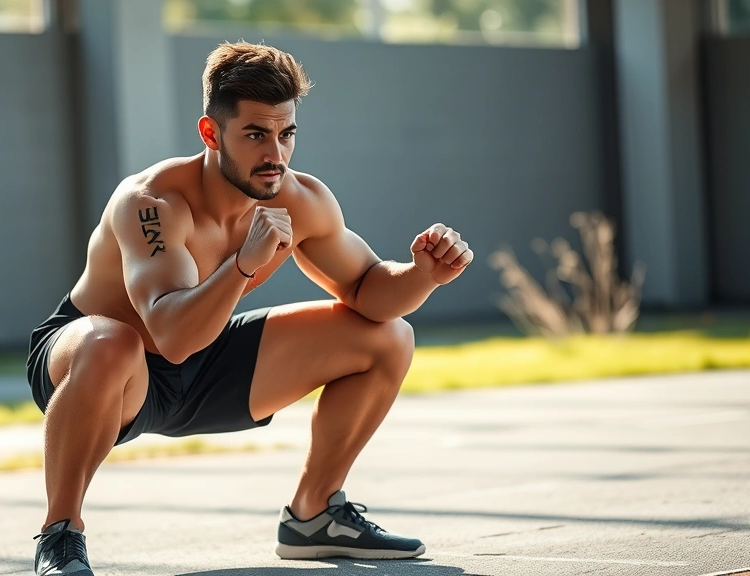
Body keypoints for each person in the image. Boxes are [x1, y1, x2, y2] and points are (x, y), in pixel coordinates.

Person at [26, 40, 474, 576]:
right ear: (211, 133)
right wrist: (241, 265)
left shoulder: (300, 199)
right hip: (102, 367)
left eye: (286, 135)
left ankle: (315, 516)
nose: (275, 156)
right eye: (256, 135)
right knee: (112, 341)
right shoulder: (152, 203)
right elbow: (169, 334)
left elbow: (369, 289)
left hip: (201, 360)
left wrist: (423, 275)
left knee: (388, 336)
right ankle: (60, 535)